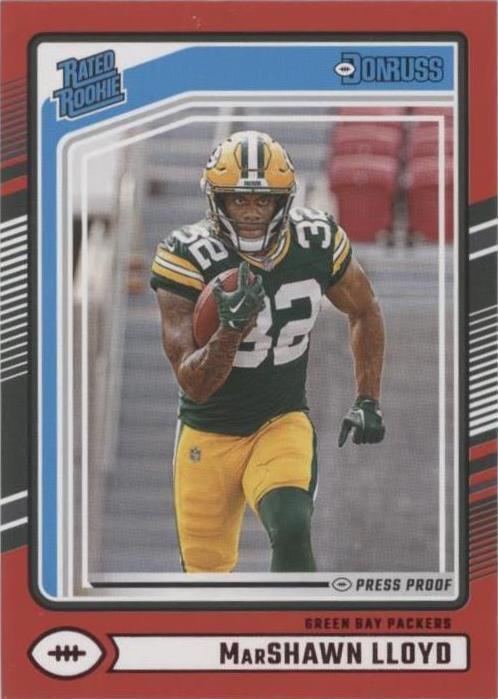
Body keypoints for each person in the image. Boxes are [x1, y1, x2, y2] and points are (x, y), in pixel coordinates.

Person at [150, 130, 385, 573]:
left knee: (293, 526)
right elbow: (193, 383)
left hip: (280, 420)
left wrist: (367, 397)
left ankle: (293, 619)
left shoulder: (317, 241)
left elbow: (365, 309)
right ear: (217, 201)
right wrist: (230, 329)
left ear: (284, 201)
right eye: (239, 200)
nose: (252, 213)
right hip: (208, 431)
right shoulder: (186, 255)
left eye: (264, 201)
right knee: (205, 582)